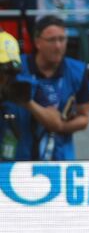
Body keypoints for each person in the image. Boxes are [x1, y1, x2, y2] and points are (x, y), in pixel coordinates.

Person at [17, 15, 89, 161]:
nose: (58, 46)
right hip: (20, 156)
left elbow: (85, 118)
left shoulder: (77, 70)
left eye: (62, 39)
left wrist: (59, 126)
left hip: (60, 158)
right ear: (37, 42)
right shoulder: (19, 67)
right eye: (51, 40)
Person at [0, 29, 61, 161]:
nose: (4, 77)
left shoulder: (28, 87)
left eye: (7, 69)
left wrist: (29, 103)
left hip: (22, 173)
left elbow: (56, 123)